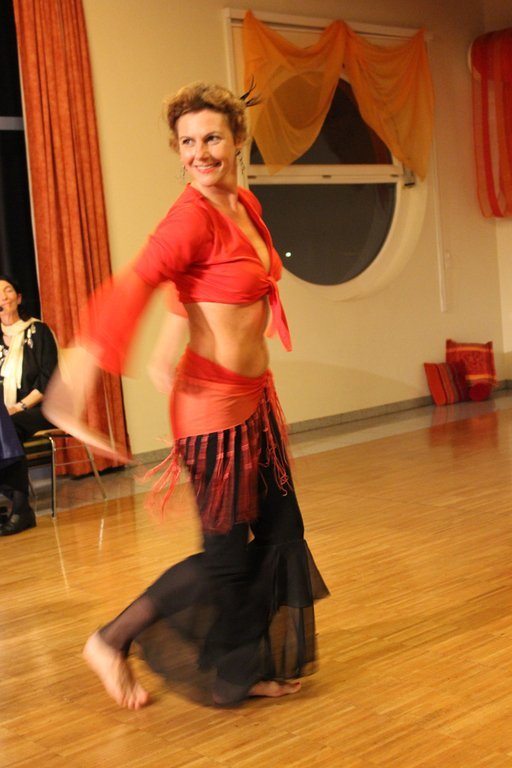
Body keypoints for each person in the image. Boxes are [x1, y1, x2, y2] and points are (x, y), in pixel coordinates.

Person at [43, 81, 329, 708]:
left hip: (256, 400)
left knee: (281, 531)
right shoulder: (190, 215)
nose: (200, 153)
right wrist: (80, 373)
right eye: (188, 142)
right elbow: (137, 282)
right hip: (212, 413)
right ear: (177, 150)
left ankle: (238, 671)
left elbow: (195, 285)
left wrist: (163, 352)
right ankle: (109, 640)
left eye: (212, 138)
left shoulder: (242, 204)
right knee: (225, 559)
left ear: (237, 140)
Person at [0, 275, 58, 535]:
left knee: (8, 428)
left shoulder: (39, 331)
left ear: (19, 297)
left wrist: (19, 407)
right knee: (5, 426)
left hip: (40, 409)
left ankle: (21, 507)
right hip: (5, 414)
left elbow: (48, 380)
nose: (3, 297)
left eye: (8, 291)